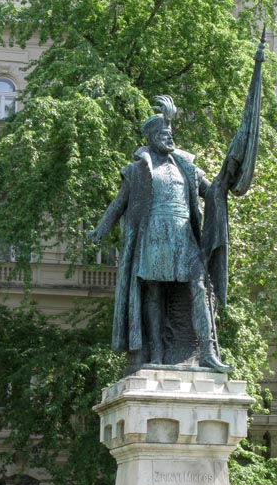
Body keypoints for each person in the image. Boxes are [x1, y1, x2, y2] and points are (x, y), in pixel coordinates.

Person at [90, 95, 229, 372]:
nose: (170, 138)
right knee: (153, 292)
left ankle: (207, 350)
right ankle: (154, 352)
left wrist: (231, 173)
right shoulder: (139, 170)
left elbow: (211, 190)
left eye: (171, 134)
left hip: (183, 234)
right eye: (164, 134)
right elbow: (120, 202)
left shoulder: (186, 166)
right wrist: (100, 229)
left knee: (198, 288)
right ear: (152, 137)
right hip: (153, 235)